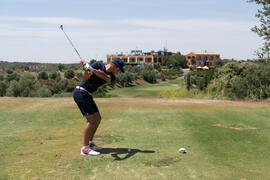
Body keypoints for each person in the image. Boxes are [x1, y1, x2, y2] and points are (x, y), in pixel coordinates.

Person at [73, 58, 124, 156]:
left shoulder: (112, 76)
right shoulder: (97, 64)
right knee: (92, 120)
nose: (118, 71)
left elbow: (105, 77)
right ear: (114, 65)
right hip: (80, 92)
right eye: (118, 69)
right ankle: (85, 149)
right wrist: (87, 69)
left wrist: (92, 69)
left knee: (97, 118)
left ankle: (90, 143)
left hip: (87, 94)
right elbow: (84, 78)